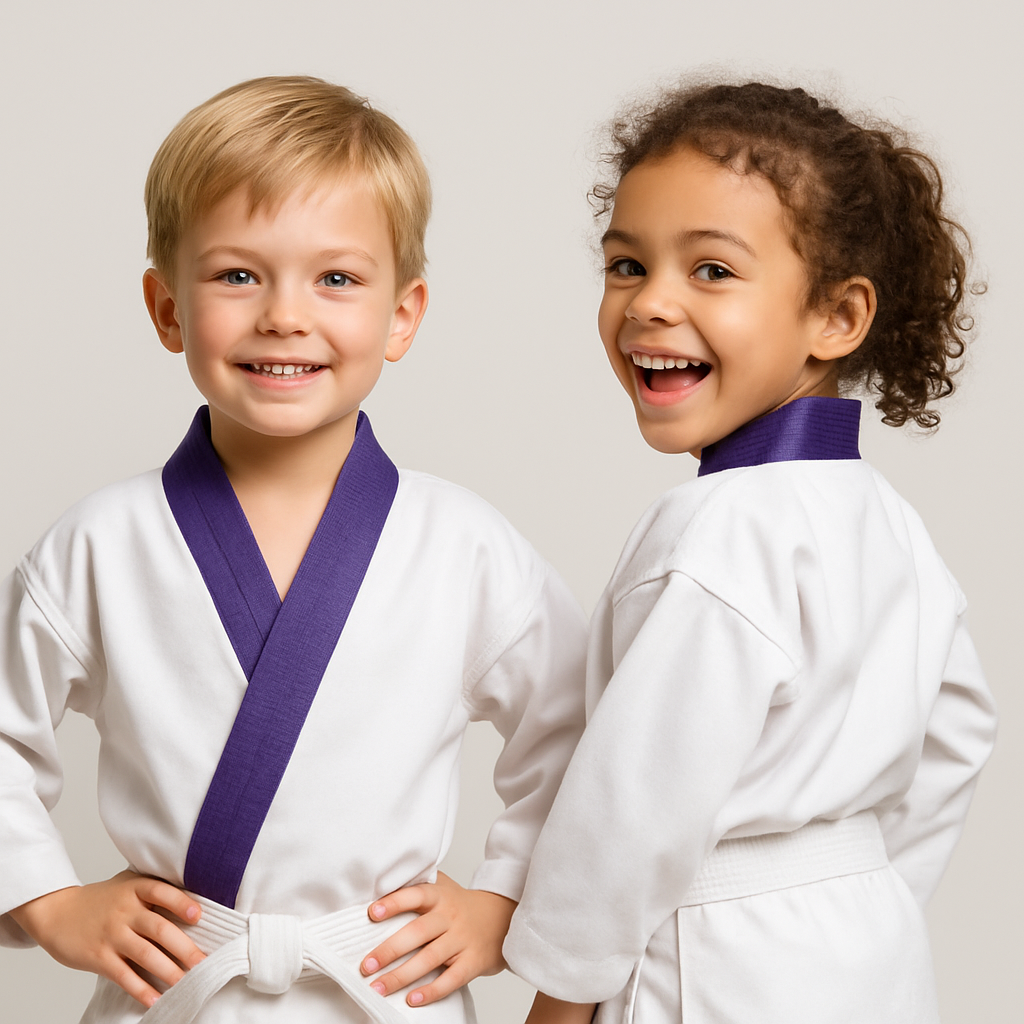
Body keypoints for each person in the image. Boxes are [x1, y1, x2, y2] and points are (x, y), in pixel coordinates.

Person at [0, 76, 587, 1024]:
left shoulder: (465, 545)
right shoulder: (98, 546)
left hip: (387, 990)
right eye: (237, 274)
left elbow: (578, 740)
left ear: (403, 313)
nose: (284, 313)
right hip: (181, 991)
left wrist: (504, 898)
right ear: (166, 309)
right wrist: (46, 899)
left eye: (338, 278)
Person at [502, 81, 997, 1024]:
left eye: (713, 272)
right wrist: (858, 887)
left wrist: (557, 1006)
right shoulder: (886, 520)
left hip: (711, 962)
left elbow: (631, 807)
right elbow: (959, 735)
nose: (651, 303)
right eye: (625, 264)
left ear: (837, 318)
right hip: (865, 958)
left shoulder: (718, 527)